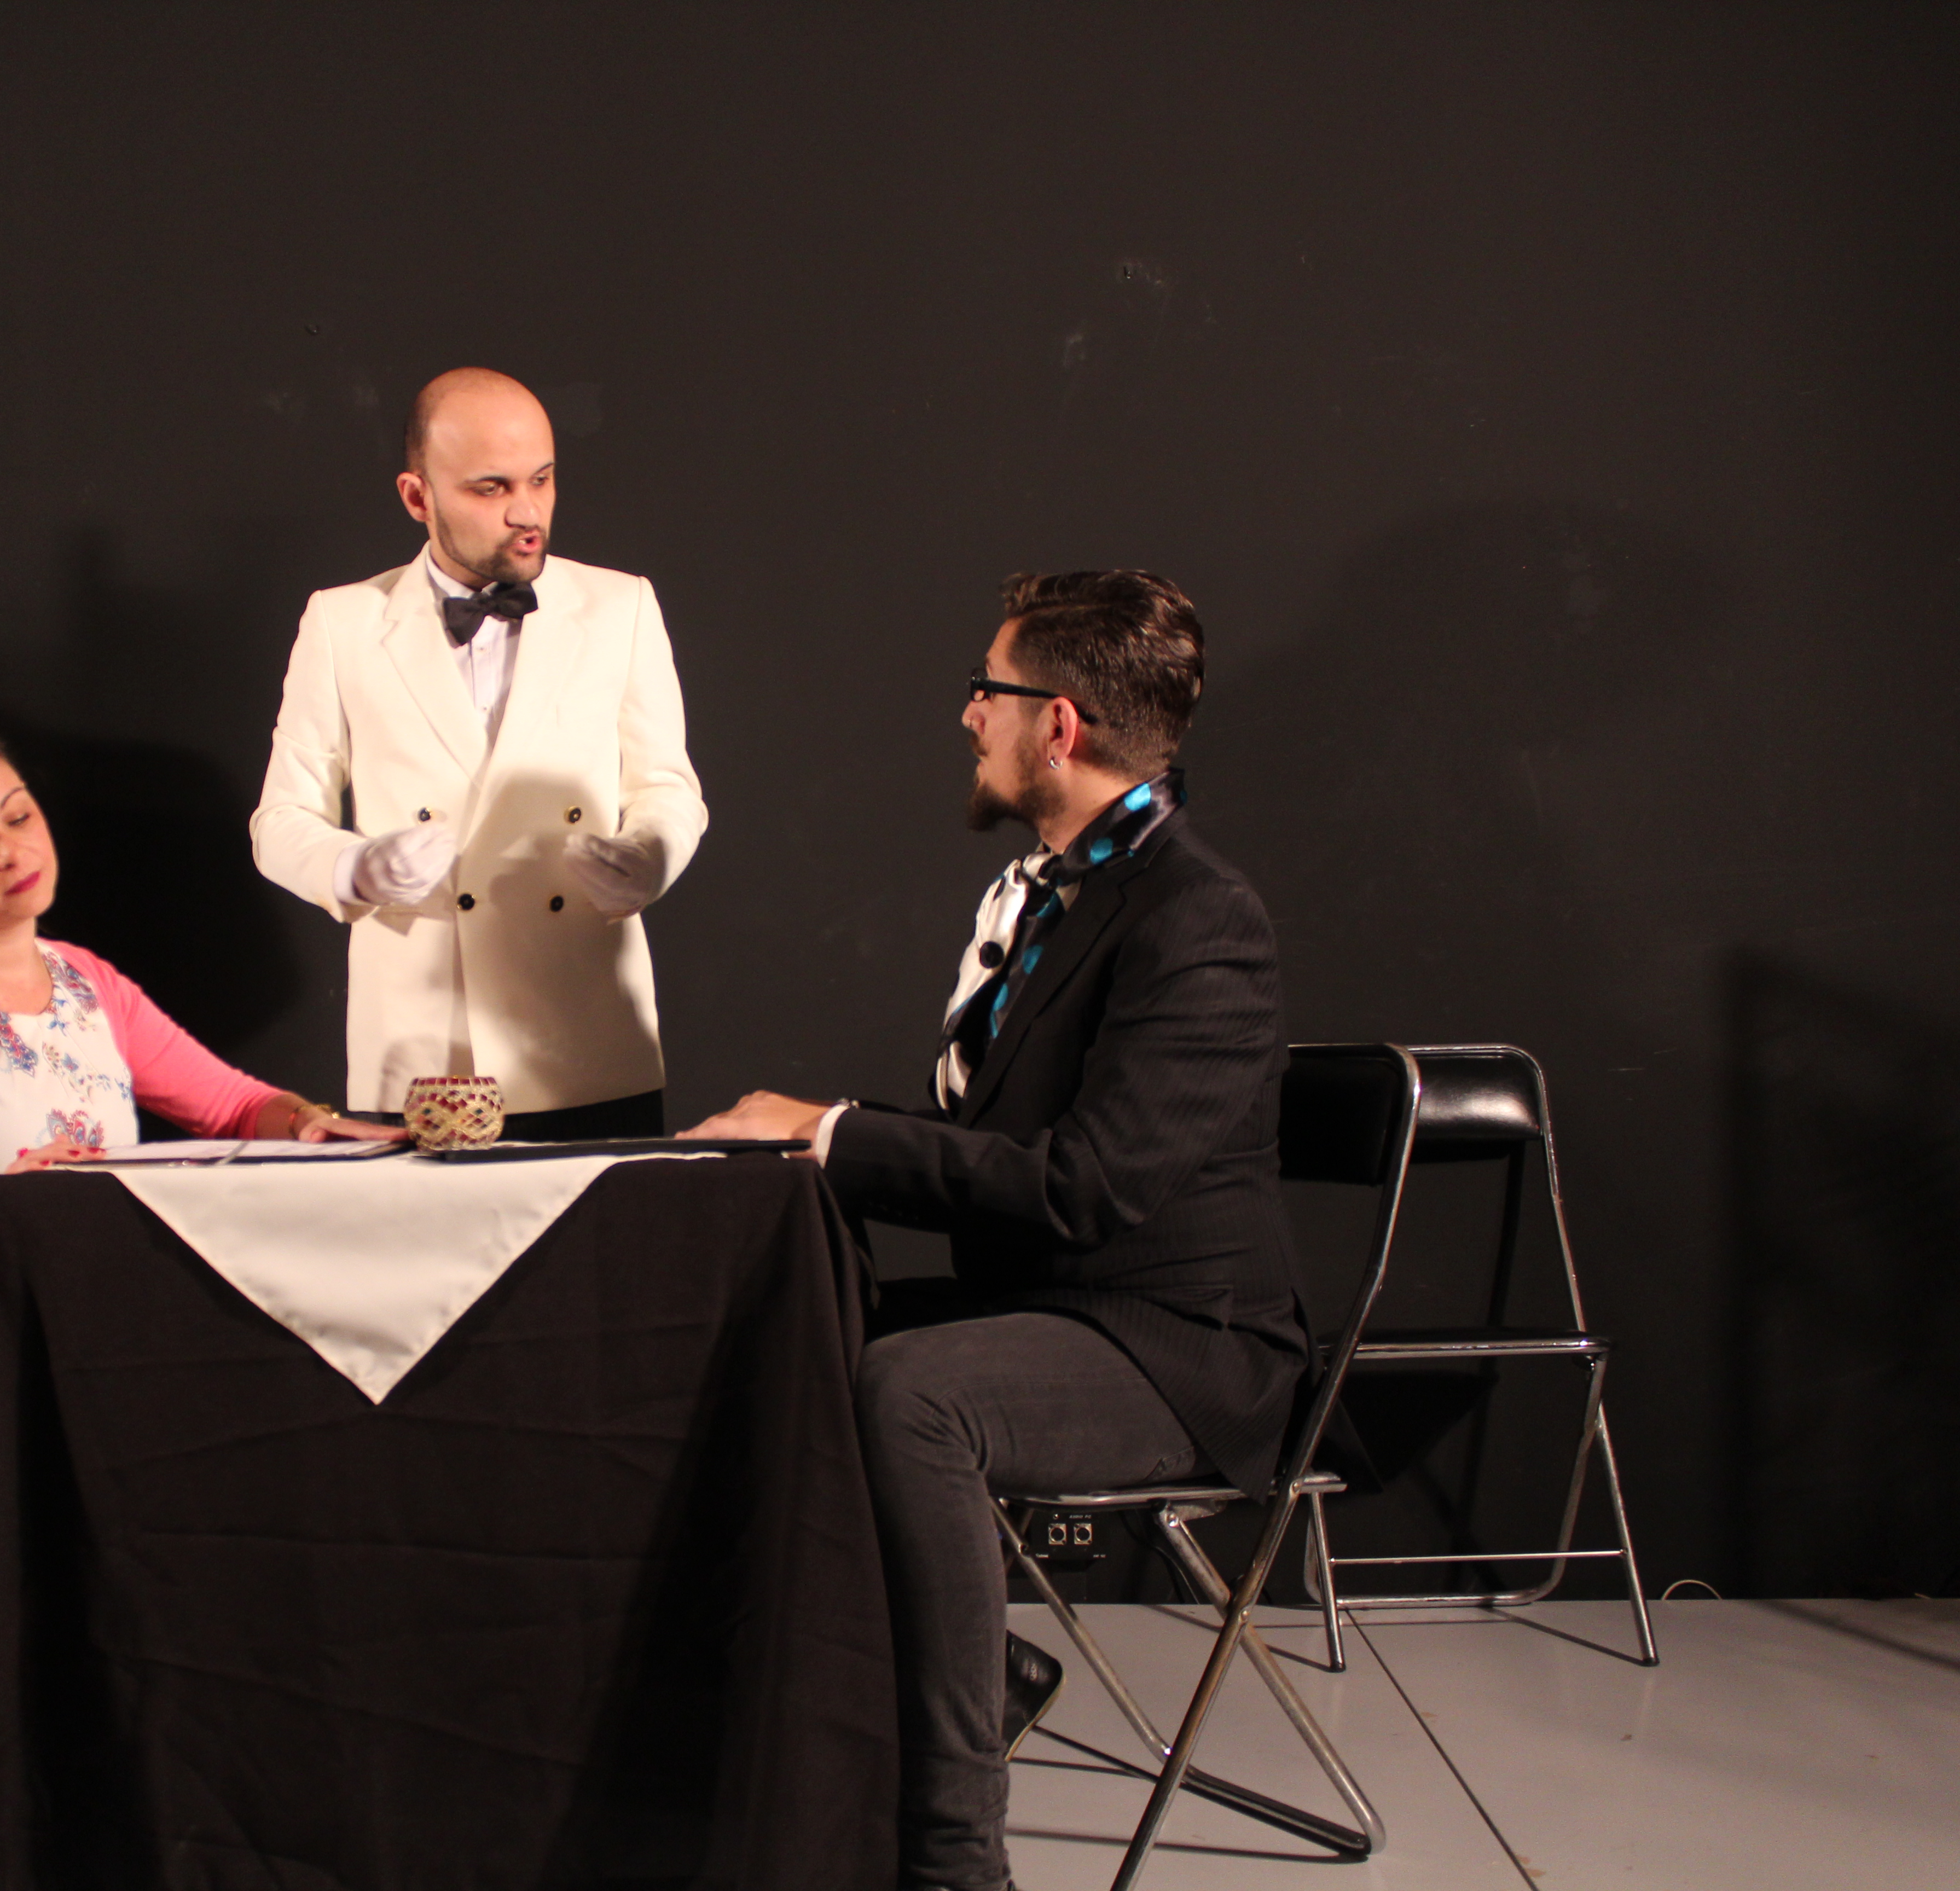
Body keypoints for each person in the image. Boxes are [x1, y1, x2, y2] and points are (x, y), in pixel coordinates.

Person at [685, 571, 1311, 1891]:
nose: (970, 715)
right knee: (792, 1327)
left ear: (1058, 725)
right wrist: (799, 1154)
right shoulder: (1066, 895)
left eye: (989, 690)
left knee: (915, 1396)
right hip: (1056, 1307)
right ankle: (970, 1669)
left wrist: (836, 1132)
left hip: (1178, 1346)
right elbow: (997, 1152)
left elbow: (1086, 1188)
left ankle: (955, 1861)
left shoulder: (1198, 917)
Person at [0, 722, 402, 1480]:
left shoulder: (85, 982)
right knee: (154, 1382)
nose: (10, 853)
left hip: (54, 1325)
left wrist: (313, 1124)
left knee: (254, 1354)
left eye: (19, 817)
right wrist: (14, 1222)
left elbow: (233, 1107)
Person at [249, 367, 708, 1138]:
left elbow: (668, 786)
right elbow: (280, 821)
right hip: (421, 1050)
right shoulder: (343, 623)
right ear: (417, 497)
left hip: (586, 1040)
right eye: (491, 489)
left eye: (542, 479)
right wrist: (356, 868)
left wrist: (651, 857)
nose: (527, 513)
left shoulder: (621, 606)